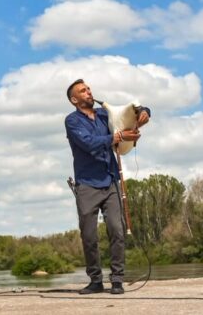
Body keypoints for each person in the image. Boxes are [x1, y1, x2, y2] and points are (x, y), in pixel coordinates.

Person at [64, 79, 150, 295]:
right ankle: (95, 280)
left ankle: (118, 280)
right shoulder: (72, 121)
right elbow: (89, 143)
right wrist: (117, 136)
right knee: (89, 235)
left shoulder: (104, 115)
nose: (88, 92)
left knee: (117, 230)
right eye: (83, 91)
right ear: (74, 99)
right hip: (86, 184)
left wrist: (145, 112)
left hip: (110, 180)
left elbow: (127, 113)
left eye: (89, 89)